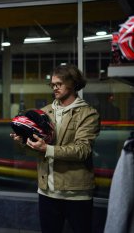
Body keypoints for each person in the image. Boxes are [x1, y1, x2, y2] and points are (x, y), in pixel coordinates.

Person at [10, 64, 100, 233]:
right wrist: (24, 141)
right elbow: (38, 148)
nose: (54, 88)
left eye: (59, 84)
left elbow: (83, 150)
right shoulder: (45, 112)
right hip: (46, 193)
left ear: (73, 84)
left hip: (76, 193)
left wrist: (47, 149)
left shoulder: (88, 114)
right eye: (52, 85)